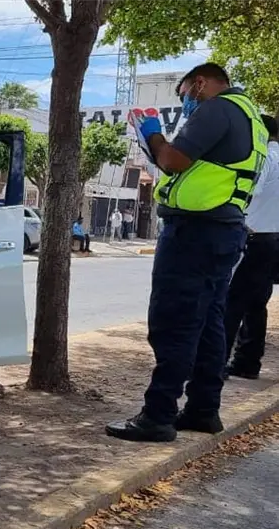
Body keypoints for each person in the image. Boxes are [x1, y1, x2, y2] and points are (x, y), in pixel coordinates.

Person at [106, 63, 269, 442]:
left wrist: (153, 134)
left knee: (174, 321)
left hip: (195, 233)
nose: (185, 105)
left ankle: (158, 415)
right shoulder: (252, 119)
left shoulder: (218, 108)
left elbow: (173, 160)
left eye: (183, 96)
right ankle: (202, 410)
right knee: (210, 323)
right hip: (223, 231)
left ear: (200, 84)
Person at [223, 114, 279, 380]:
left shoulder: (266, 157)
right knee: (257, 304)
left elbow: (251, 190)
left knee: (232, 301)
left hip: (256, 238)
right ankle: (247, 363)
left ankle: (216, 363)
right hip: (274, 241)